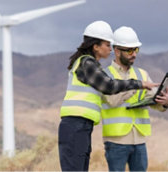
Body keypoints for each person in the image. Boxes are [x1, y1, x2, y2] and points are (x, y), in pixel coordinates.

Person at [58, 21, 158, 171]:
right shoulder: (86, 63)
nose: (110, 49)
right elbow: (109, 86)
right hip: (75, 125)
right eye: (107, 45)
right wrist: (139, 84)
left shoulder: (88, 64)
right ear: (95, 46)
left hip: (81, 125)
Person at [101, 26, 168, 171]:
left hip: (139, 140)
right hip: (116, 141)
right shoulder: (105, 75)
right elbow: (113, 100)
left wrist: (165, 103)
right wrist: (137, 86)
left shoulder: (142, 74)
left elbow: (153, 101)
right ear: (117, 50)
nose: (134, 54)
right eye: (129, 50)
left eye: (136, 50)